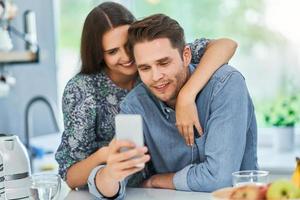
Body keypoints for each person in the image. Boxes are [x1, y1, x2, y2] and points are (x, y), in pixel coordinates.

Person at [55, 2, 238, 189]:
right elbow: (69, 176)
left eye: (128, 46)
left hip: (163, 188)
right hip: (111, 189)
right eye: (112, 51)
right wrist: (106, 154)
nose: (127, 57)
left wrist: (187, 95)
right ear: (99, 54)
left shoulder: (154, 56)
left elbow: (226, 45)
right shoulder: (83, 90)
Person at [89, 14, 258, 199]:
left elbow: (219, 179)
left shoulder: (225, 85)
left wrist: (158, 180)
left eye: (163, 63)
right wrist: (111, 174)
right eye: (145, 68)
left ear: (186, 56)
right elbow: (119, 181)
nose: (156, 76)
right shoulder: (135, 105)